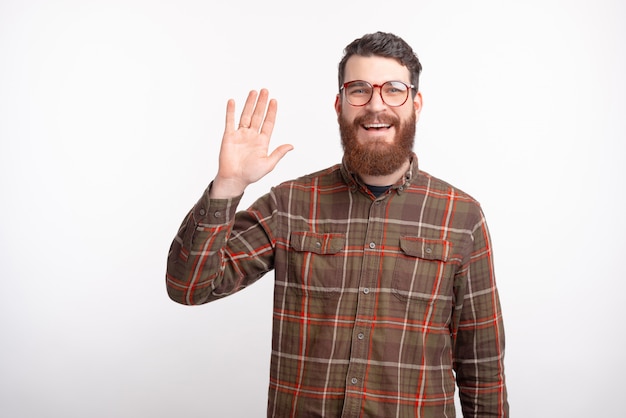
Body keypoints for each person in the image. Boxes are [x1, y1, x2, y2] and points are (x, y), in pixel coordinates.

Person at [166, 31, 509, 417]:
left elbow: (482, 370)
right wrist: (228, 185)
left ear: (416, 103)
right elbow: (189, 286)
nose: (375, 105)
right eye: (359, 90)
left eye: (393, 90)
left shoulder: (462, 217)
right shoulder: (291, 204)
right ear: (339, 104)